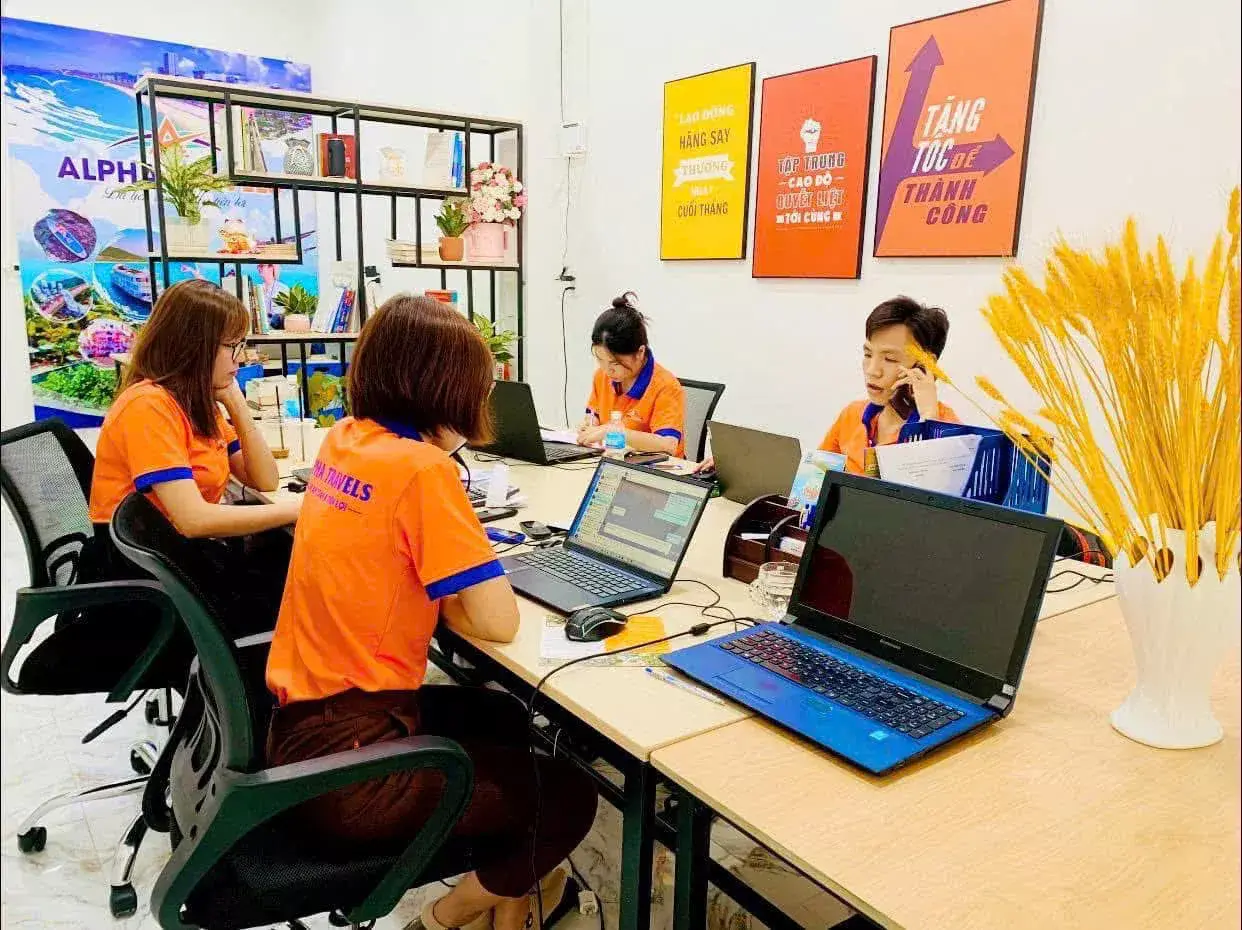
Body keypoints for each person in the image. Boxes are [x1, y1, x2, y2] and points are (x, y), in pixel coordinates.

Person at [265, 295, 598, 930]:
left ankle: (514, 903)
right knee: (568, 794)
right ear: (445, 387)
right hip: (353, 769)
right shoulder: (422, 471)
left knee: (505, 716)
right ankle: (443, 919)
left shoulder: (345, 439)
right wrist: (450, 584)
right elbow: (497, 623)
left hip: (302, 727)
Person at [89, 278, 301, 538]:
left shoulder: (195, 402)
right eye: (232, 346)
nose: (241, 357)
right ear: (192, 347)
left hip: (172, 547)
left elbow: (265, 480)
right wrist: (299, 509)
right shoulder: (148, 405)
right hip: (145, 554)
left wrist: (236, 403)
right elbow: (193, 521)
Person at [818, 296, 958, 474]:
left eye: (890, 359)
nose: (872, 371)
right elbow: (813, 480)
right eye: (868, 354)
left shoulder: (949, 429)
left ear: (925, 366)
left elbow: (934, 486)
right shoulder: (852, 415)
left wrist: (929, 419)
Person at [577, 292, 686, 456]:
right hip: (610, 459)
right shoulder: (602, 376)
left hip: (655, 467)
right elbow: (594, 415)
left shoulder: (665, 386)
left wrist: (614, 431)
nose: (607, 370)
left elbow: (668, 444)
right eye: (600, 360)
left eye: (615, 363)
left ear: (640, 352)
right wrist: (590, 425)